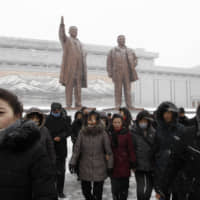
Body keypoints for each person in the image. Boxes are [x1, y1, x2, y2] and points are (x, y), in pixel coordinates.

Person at [0, 88, 57, 200]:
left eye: (0, 112)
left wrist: (53, 163)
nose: (35, 120)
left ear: (17, 115)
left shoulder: (34, 151)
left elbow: (46, 195)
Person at [156, 105, 200, 200]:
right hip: (190, 188)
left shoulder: (182, 129)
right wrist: (163, 187)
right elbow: (174, 163)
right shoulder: (188, 134)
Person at [69, 111, 113, 200]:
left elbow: (109, 151)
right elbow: (77, 150)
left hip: (100, 166)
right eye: (90, 120)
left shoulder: (103, 133)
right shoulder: (82, 133)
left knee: (98, 192)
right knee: (86, 191)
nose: (92, 122)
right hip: (85, 166)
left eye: (94, 120)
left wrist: (110, 166)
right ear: (86, 121)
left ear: (97, 121)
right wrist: (72, 162)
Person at [154, 101, 185, 200]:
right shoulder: (158, 129)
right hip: (162, 171)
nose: (167, 115)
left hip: (178, 171)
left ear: (174, 114)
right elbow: (155, 149)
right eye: (165, 113)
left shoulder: (181, 129)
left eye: (169, 113)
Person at [59, 16, 87, 108]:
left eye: (76, 30)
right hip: (70, 69)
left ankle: (78, 103)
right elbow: (61, 35)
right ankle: (68, 104)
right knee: (69, 87)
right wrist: (62, 25)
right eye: (73, 30)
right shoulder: (67, 40)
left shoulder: (80, 43)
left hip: (79, 69)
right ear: (69, 32)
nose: (75, 32)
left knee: (78, 88)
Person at [45, 102, 70, 198]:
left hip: (61, 149)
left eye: (58, 110)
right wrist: (51, 138)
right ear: (51, 110)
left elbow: (68, 130)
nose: (56, 112)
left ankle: (60, 190)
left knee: (61, 171)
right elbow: (44, 131)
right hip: (49, 148)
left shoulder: (65, 119)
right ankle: (51, 190)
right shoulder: (47, 119)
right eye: (54, 110)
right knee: (50, 171)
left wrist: (61, 136)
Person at [109, 114, 136, 200]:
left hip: (124, 165)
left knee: (124, 189)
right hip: (113, 166)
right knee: (115, 190)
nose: (116, 124)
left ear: (122, 123)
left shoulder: (127, 134)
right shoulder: (109, 133)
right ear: (112, 123)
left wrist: (133, 163)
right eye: (115, 122)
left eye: (118, 122)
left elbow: (131, 149)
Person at [107, 35, 138, 109]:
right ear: (117, 41)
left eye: (123, 39)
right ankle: (118, 104)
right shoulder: (112, 50)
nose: (122, 40)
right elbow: (109, 62)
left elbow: (136, 59)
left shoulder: (130, 50)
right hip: (117, 72)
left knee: (128, 89)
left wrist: (133, 65)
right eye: (120, 39)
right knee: (118, 90)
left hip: (127, 72)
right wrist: (110, 72)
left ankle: (129, 104)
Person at [131, 110, 156, 200]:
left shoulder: (153, 132)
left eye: (145, 121)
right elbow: (131, 149)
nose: (143, 123)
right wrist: (133, 163)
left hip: (151, 165)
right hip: (138, 164)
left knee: (149, 188)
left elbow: (156, 148)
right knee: (140, 188)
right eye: (141, 121)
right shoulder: (133, 132)